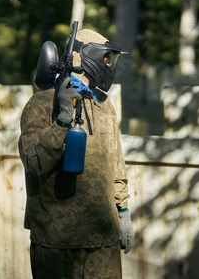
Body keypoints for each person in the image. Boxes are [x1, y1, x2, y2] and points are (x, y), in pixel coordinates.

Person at [18, 28, 134, 279]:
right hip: (55, 242)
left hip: (102, 240)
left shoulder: (103, 104)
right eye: (106, 58)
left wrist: (123, 212)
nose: (109, 65)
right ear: (87, 57)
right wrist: (62, 120)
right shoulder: (40, 103)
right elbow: (33, 162)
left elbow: (115, 162)